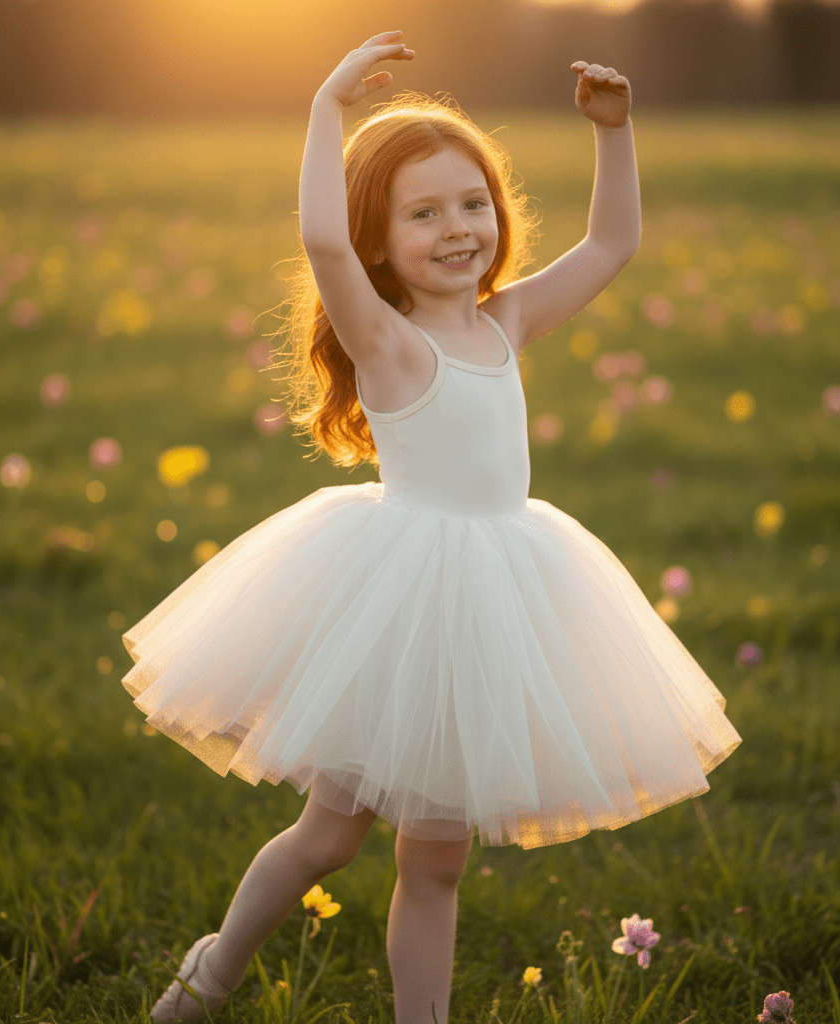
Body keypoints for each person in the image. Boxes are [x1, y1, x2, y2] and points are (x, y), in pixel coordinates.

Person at [124, 30, 741, 1024]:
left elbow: (614, 246)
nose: (459, 230)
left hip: (498, 597)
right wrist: (327, 107)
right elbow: (321, 242)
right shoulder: (387, 339)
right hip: (399, 601)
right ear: (380, 243)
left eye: (473, 205)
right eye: (424, 214)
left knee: (439, 861)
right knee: (327, 839)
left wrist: (614, 135)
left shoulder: (505, 322)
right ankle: (212, 971)